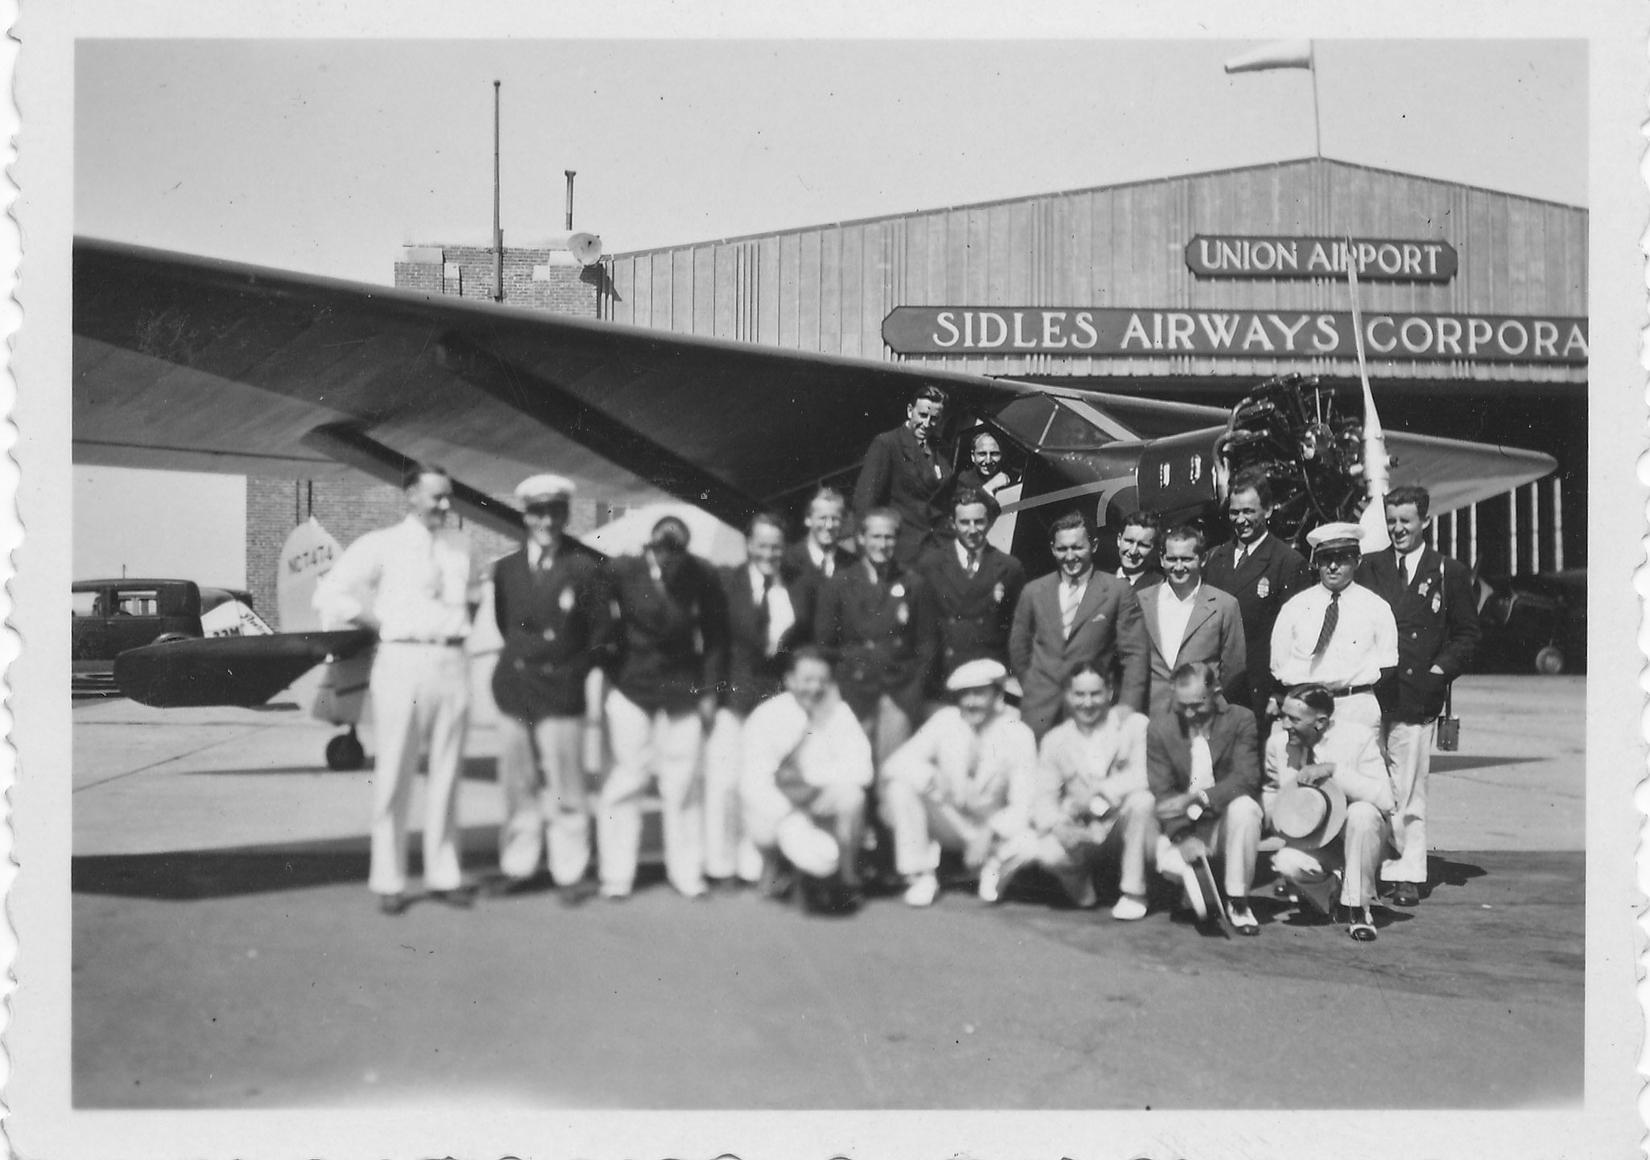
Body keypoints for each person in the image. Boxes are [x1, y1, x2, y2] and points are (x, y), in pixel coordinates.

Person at [313, 463, 484, 916]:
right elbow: (330, 594)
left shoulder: (463, 546)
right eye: (436, 496)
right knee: (394, 773)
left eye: (448, 496)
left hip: (451, 662)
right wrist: (380, 623)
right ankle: (389, 879)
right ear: (410, 495)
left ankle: (444, 875)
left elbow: (473, 598)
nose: (445, 504)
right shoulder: (381, 544)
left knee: (447, 773)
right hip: (402, 661)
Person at [487, 473, 612, 905]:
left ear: (566, 515)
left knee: (567, 786)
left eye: (555, 512)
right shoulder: (506, 569)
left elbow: (602, 632)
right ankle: (518, 865)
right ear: (526, 516)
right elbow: (506, 623)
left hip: (561, 690)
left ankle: (569, 870)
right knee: (518, 785)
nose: (547, 521)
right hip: (515, 688)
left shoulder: (586, 568)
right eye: (538, 512)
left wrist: (572, 671)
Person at [1355, 485, 1481, 907]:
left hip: (1416, 697)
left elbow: (1468, 635)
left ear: (1425, 521)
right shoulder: (1369, 566)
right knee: (1368, 786)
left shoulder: (1448, 571)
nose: (1397, 529)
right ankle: (1364, 866)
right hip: (1372, 695)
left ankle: (1406, 872)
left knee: (1408, 791)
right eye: (1391, 521)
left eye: (1406, 521)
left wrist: (1437, 673)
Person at [598, 515, 729, 900]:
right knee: (626, 780)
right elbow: (599, 618)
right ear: (650, 545)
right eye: (661, 548)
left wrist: (709, 690)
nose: (668, 556)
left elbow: (716, 636)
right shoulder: (623, 570)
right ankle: (616, 874)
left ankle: (686, 871)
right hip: (632, 685)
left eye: (676, 550)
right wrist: (611, 669)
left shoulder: (702, 574)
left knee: (683, 782)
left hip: (681, 687)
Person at [988, 662, 1155, 917]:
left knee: (1142, 801)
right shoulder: (1055, 740)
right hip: (1082, 830)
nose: (1087, 703)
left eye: (1095, 694)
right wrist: (1058, 825)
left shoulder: (1133, 725)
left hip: (1119, 825)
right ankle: (1082, 884)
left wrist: (1098, 793)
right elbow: (1043, 799)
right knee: (1047, 851)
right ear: (1067, 695)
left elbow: (1144, 775)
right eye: (1079, 694)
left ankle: (1133, 892)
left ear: (1110, 692)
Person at [705, 511, 810, 889]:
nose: (769, 553)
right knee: (723, 783)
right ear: (748, 544)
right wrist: (709, 695)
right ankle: (721, 866)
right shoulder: (727, 582)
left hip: (775, 701)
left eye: (776, 547)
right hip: (732, 695)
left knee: (762, 785)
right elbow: (714, 643)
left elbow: (801, 646)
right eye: (762, 545)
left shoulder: (797, 587)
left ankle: (755, 865)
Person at [880, 659, 1038, 907]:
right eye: (965, 695)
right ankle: (920, 875)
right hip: (952, 822)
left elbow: (1024, 804)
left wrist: (990, 831)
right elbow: (895, 765)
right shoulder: (946, 721)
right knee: (901, 787)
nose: (971, 702)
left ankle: (993, 869)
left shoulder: (1018, 733)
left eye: (979, 694)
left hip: (992, 831)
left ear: (997, 695)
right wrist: (932, 777)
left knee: (1031, 842)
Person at [740, 647, 874, 911]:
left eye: (822, 680)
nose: (815, 688)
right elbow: (754, 780)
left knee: (853, 797)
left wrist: (813, 784)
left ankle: (847, 878)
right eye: (807, 680)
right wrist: (793, 811)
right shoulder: (767, 715)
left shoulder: (839, 712)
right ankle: (773, 866)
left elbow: (863, 769)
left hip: (819, 799)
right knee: (791, 840)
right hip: (779, 809)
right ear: (789, 680)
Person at [1264, 684, 1396, 941]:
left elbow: (1385, 799)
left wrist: (1334, 771)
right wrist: (1277, 818)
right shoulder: (1277, 745)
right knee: (1286, 862)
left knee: (1362, 813)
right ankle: (1333, 891)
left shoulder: (1358, 737)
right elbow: (1271, 791)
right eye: (1283, 716)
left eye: (1294, 719)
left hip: (1359, 837)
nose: (1285, 725)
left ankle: (1358, 908)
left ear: (1321, 722)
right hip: (1312, 840)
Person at [813, 507, 941, 769]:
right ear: (861, 538)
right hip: (852, 692)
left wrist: (913, 691)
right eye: (876, 537)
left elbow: (927, 644)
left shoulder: (914, 584)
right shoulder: (839, 584)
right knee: (851, 771)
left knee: (891, 772)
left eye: (889, 537)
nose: (883, 544)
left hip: (898, 694)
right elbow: (824, 645)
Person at [1008, 511, 1150, 738]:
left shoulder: (1117, 591)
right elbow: (1019, 648)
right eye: (1062, 549)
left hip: (1093, 713)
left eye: (1077, 548)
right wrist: (1034, 689)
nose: (1070, 556)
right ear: (1052, 549)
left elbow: (1135, 654)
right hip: (1040, 715)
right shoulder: (1034, 591)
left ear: (1094, 546)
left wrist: (1127, 707)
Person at [1146, 662, 1264, 934]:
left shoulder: (1241, 719)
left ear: (1216, 693)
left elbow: (1246, 778)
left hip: (1221, 823)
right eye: (1182, 705)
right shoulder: (1159, 728)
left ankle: (1238, 901)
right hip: (1178, 827)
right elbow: (1162, 792)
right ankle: (1191, 882)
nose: (1189, 714)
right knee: (1173, 861)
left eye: (1197, 705)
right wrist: (1182, 836)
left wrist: (1198, 798)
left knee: (1246, 808)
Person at [1270, 522, 1398, 749]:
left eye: (1341, 559)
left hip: (1356, 706)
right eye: (1325, 559)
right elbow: (1279, 664)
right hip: (1307, 709)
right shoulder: (1295, 607)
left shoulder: (1376, 607)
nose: (1332, 566)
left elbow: (1387, 665)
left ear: (1357, 560)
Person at [1204, 470, 1312, 729]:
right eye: (1234, 512)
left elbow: (1298, 636)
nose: (1240, 520)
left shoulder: (1288, 562)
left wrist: (1279, 692)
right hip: (1218, 690)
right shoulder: (1215, 559)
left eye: (1248, 511)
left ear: (1268, 510)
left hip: (1260, 694)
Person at [914, 486, 1027, 687]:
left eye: (979, 521)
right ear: (953, 523)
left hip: (989, 678)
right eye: (965, 522)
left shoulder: (1010, 568)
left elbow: (1018, 631)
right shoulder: (930, 565)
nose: (972, 530)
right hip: (942, 678)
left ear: (989, 522)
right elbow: (920, 628)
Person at [1136, 524, 1246, 718]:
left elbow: (1234, 668)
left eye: (1186, 559)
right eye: (1172, 559)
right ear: (1162, 559)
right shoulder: (1141, 601)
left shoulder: (1225, 605)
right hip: (1153, 715)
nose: (1179, 567)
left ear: (1202, 559)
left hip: (1202, 715)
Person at [852, 385, 954, 566]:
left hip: (939, 551)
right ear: (909, 411)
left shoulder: (941, 449)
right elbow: (865, 503)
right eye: (922, 415)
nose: (927, 424)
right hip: (902, 554)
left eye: (934, 419)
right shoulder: (887, 444)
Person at [781, 486, 857, 593]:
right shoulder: (787, 561)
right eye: (822, 518)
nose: (829, 525)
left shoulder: (852, 564)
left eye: (835, 519)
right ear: (808, 519)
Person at [951, 429, 1015, 499]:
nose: (988, 461)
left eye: (994, 454)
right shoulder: (964, 480)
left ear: (1002, 455)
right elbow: (966, 503)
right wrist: (990, 486)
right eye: (982, 454)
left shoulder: (1010, 476)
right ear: (973, 456)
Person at [1115, 511, 1164, 590]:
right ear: (1119, 540)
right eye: (1129, 541)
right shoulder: (1099, 579)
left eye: (1142, 545)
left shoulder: (1161, 586)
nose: (1133, 551)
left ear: (1155, 549)